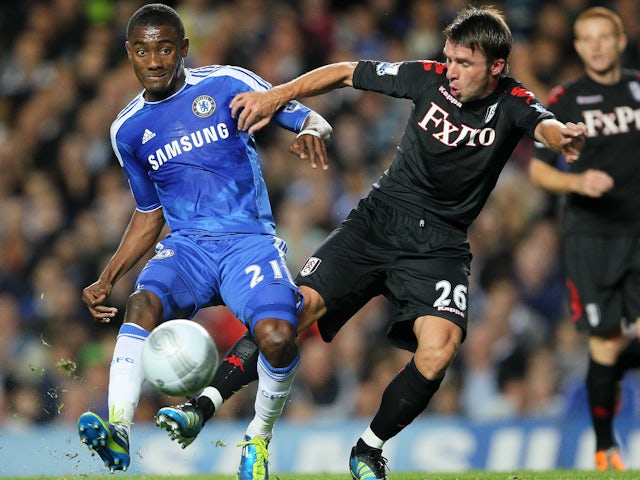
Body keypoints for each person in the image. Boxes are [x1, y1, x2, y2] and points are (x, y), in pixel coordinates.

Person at [157, 6, 586, 479]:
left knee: (439, 348)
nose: (452, 71)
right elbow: (345, 72)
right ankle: (203, 405)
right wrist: (278, 95)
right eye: (449, 59)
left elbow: (543, 124)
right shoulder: (428, 78)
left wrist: (559, 136)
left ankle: (368, 448)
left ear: (496, 67)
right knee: (290, 312)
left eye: (464, 63)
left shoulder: (512, 103)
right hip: (378, 222)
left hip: (439, 246)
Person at [75, 4, 331, 480]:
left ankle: (257, 439)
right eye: (143, 50)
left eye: (165, 48)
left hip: (247, 243)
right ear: (129, 53)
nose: (154, 60)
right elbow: (150, 214)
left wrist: (314, 129)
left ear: (184, 50)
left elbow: (307, 116)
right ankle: (118, 431)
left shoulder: (228, 83)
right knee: (141, 305)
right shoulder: (127, 130)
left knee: (277, 337)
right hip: (188, 249)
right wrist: (108, 277)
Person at [529, 6, 640, 471]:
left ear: (619, 41)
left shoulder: (638, 89)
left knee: (616, 346)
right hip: (590, 238)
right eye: (586, 38)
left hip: (637, 231)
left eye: (603, 37)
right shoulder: (566, 100)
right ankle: (604, 448)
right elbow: (537, 170)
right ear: (577, 46)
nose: (595, 45)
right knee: (605, 344)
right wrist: (577, 183)